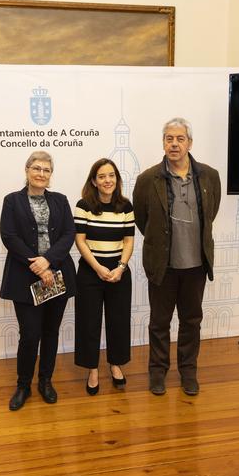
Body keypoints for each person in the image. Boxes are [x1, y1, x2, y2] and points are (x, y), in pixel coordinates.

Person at [132, 117, 221, 397]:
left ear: (189, 143)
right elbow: (141, 219)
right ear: (163, 143)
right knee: (159, 322)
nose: (174, 144)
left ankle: (188, 372)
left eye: (180, 139)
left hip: (196, 265)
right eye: (169, 139)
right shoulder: (148, 179)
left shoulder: (209, 176)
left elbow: (211, 212)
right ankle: (157, 372)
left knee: (191, 321)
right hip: (163, 266)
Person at [0, 150, 76, 411]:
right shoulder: (12, 201)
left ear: (51, 175)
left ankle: (46, 381)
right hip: (25, 276)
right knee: (30, 335)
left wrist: (49, 261)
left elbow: (68, 234)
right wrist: (37, 264)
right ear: (27, 171)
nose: (41, 174)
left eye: (46, 170)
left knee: (50, 332)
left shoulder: (61, 200)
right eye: (37, 168)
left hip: (57, 274)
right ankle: (23, 386)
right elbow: (9, 236)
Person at [74, 159, 135, 395]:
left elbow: (129, 240)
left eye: (111, 175)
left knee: (118, 321)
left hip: (119, 272)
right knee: (89, 323)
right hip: (91, 271)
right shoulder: (83, 205)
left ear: (117, 179)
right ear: (94, 181)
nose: (107, 180)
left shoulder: (126, 206)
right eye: (101, 176)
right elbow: (80, 240)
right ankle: (92, 369)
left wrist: (120, 267)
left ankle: (115, 364)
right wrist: (98, 268)